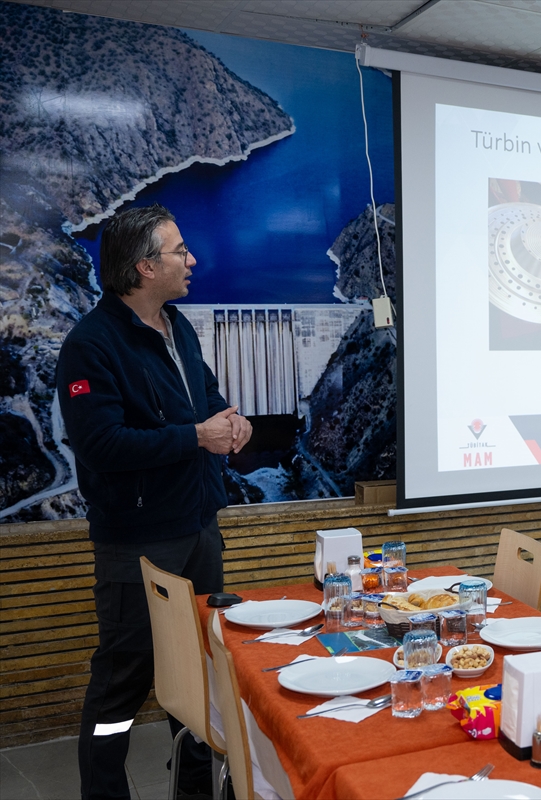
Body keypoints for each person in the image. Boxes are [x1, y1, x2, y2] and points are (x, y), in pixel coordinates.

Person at [56, 204, 252, 800]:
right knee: (123, 683)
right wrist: (195, 436)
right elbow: (101, 446)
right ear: (144, 266)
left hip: (199, 530)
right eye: (179, 251)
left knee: (197, 678)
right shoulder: (91, 345)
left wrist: (229, 421)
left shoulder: (177, 326)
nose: (192, 260)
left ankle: (194, 792)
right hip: (138, 544)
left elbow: (205, 397)